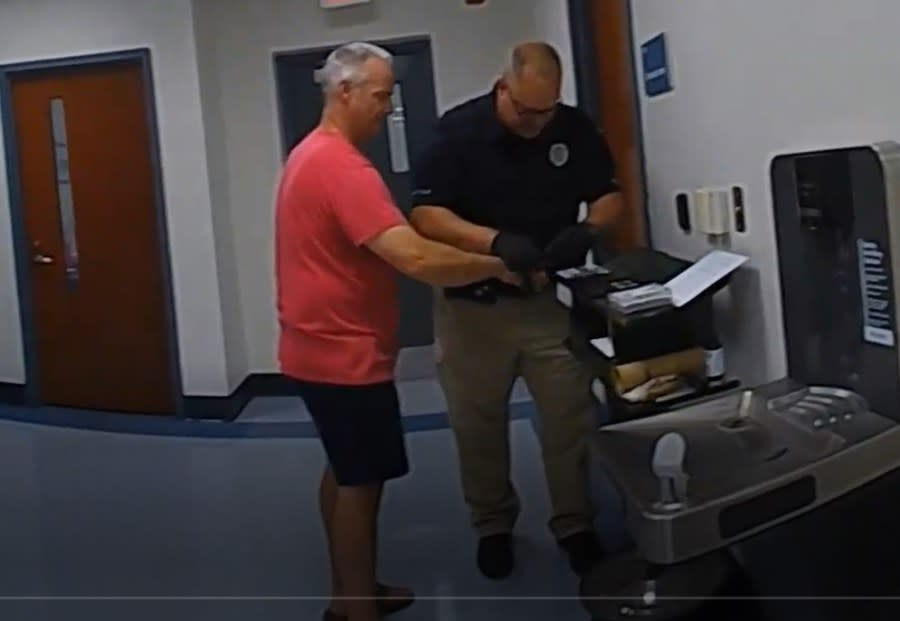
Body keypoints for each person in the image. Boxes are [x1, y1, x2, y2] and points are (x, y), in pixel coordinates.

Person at [274, 42, 520, 621]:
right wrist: (499, 261)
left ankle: (350, 592)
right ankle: (358, 607)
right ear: (345, 92)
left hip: (314, 349)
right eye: (381, 96)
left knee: (344, 468)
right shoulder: (342, 167)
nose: (388, 107)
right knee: (362, 483)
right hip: (343, 354)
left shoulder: (309, 154)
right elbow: (415, 258)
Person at [408, 41, 626, 579]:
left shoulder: (571, 128)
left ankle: (574, 524)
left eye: (544, 112)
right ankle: (493, 524)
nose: (535, 124)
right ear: (501, 87)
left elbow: (609, 195)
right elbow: (426, 214)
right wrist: (493, 241)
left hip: (541, 299)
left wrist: (589, 229)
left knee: (567, 415)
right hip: (472, 305)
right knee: (478, 423)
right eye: (525, 112)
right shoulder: (458, 131)